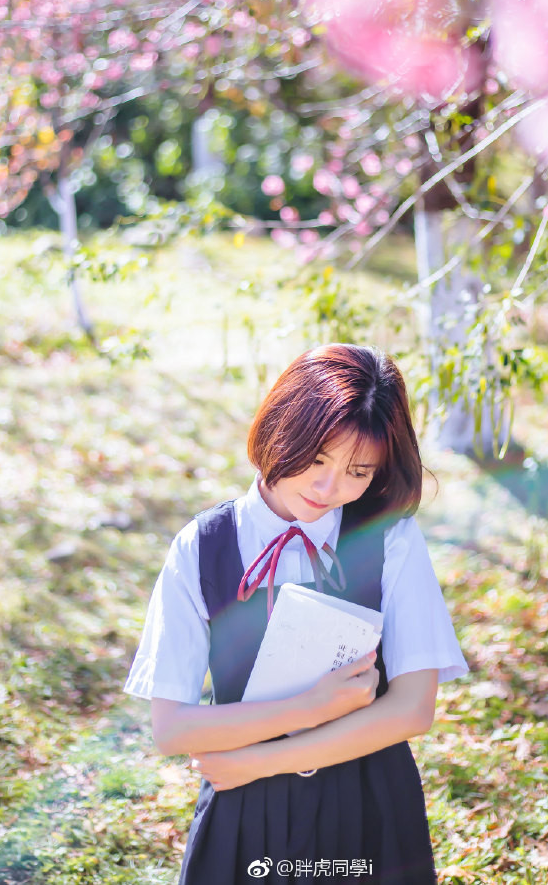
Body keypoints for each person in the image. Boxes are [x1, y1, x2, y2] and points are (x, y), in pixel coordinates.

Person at [124, 344, 468, 884]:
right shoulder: (204, 546)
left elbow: (412, 710)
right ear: (281, 427)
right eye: (316, 459)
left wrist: (261, 759)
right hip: (246, 814)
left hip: (366, 799)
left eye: (358, 471)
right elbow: (173, 729)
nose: (328, 489)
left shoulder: (390, 540)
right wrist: (308, 707)